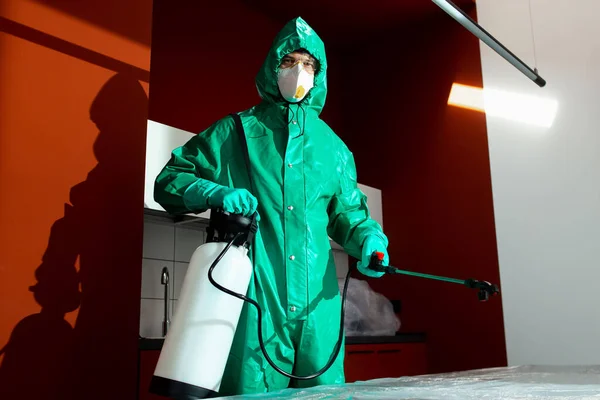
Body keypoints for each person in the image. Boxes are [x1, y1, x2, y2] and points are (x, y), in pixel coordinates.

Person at [154, 16, 390, 396]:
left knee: (323, 393)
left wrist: (368, 240)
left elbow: (349, 214)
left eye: (309, 65)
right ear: (271, 67)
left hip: (319, 305)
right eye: (289, 62)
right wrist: (213, 191)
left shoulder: (333, 148)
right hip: (256, 298)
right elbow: (168, 182)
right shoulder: (234, 133)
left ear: (320, 73)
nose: (299, 72)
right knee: (253, 387)